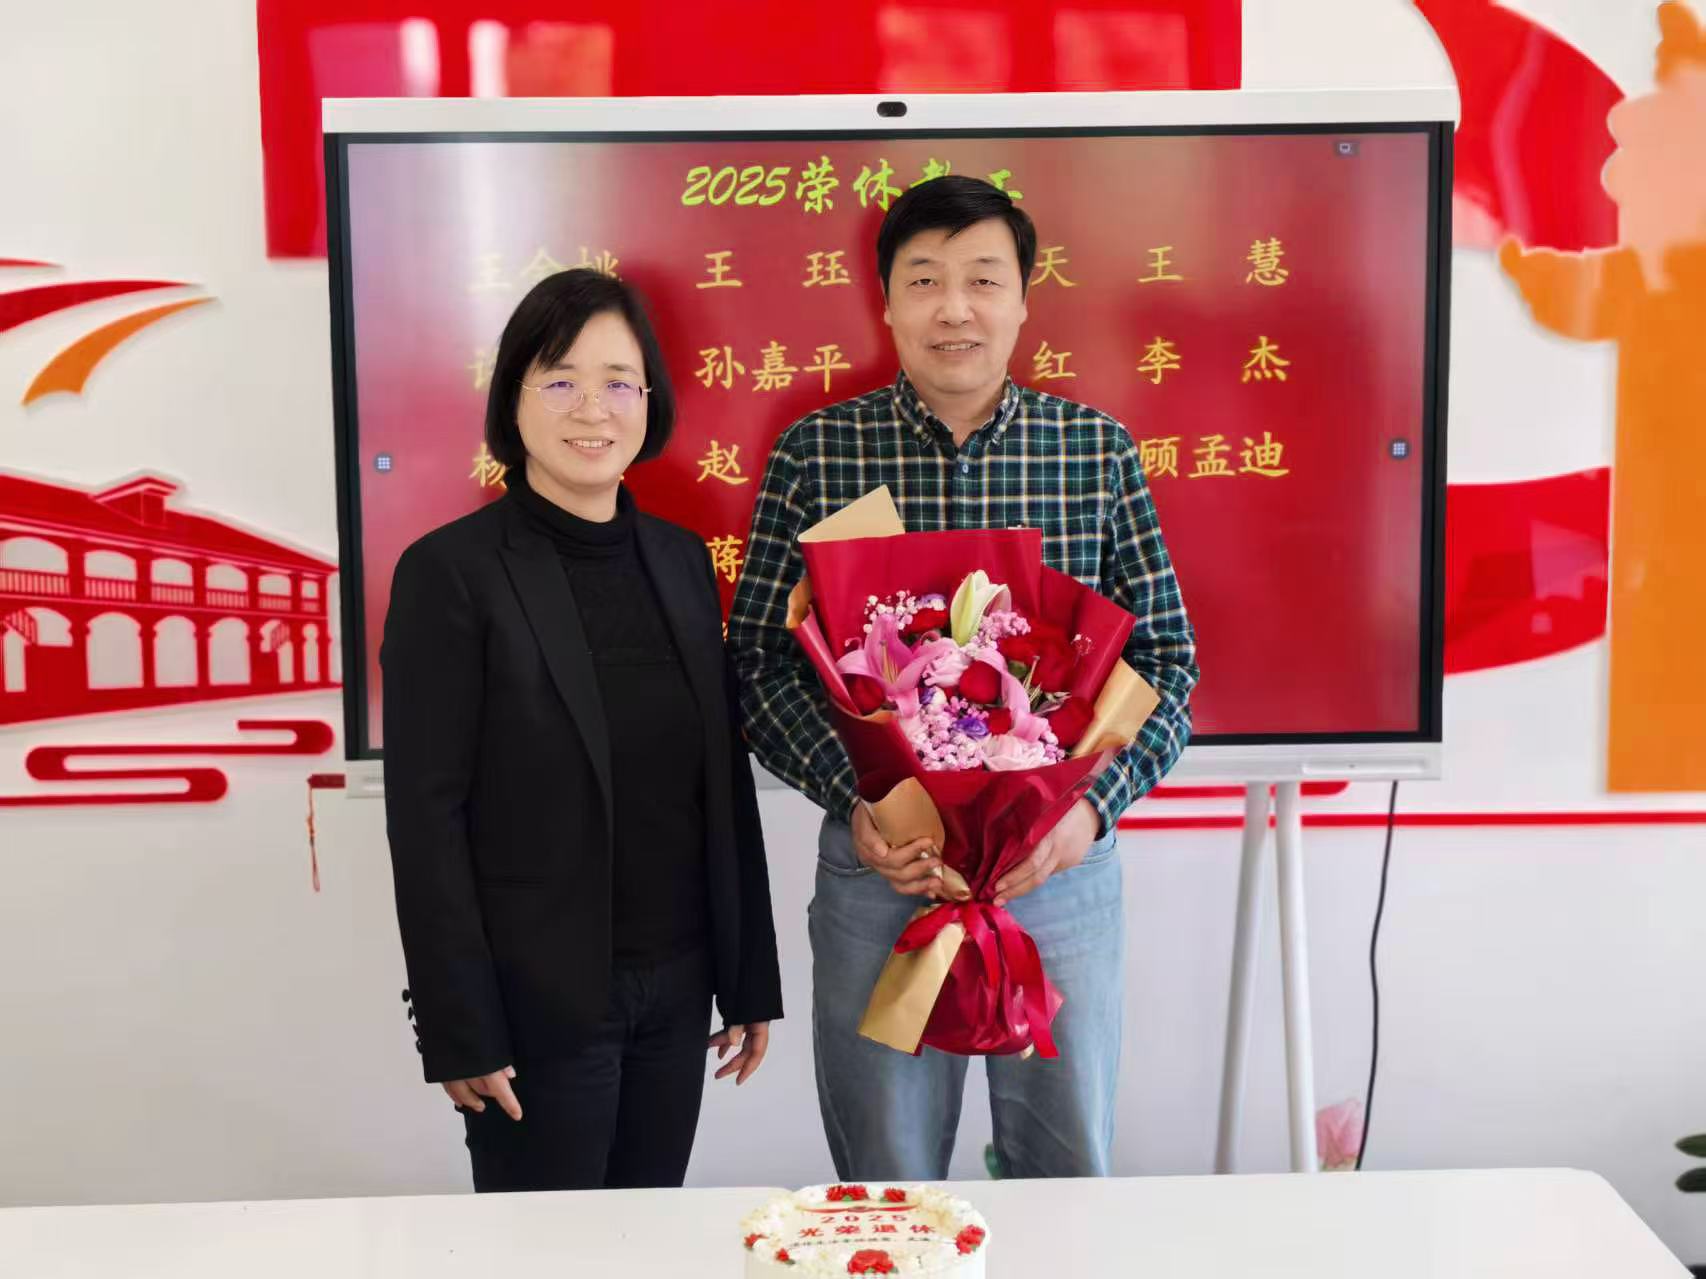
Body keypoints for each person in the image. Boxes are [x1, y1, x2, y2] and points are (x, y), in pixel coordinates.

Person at [727, 176, 1197, 1180]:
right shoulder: (817, 453)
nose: (954, 308)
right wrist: (859, 797)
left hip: (1055, 874)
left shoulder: (1094, 452)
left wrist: (1085, 813)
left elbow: (1166, 661)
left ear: (1023, 300)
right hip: (882, 873)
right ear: (885, 302)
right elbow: (758, 665)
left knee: (1065, 1168)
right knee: (886, 1175)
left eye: (983, 279)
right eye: (924, 280)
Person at [382, 267, 781, 1192]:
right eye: (560, 379)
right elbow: (426, 819)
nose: (592, 408)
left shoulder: (681, 561)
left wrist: (746, 976)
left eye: (618, 381)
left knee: (647, 1237)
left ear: (650, 401)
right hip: (533, 1010)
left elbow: (720, 782)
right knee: (542, 1250)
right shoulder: (452, 573)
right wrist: (458, 1026)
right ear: (512, 399)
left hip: (676, 992)